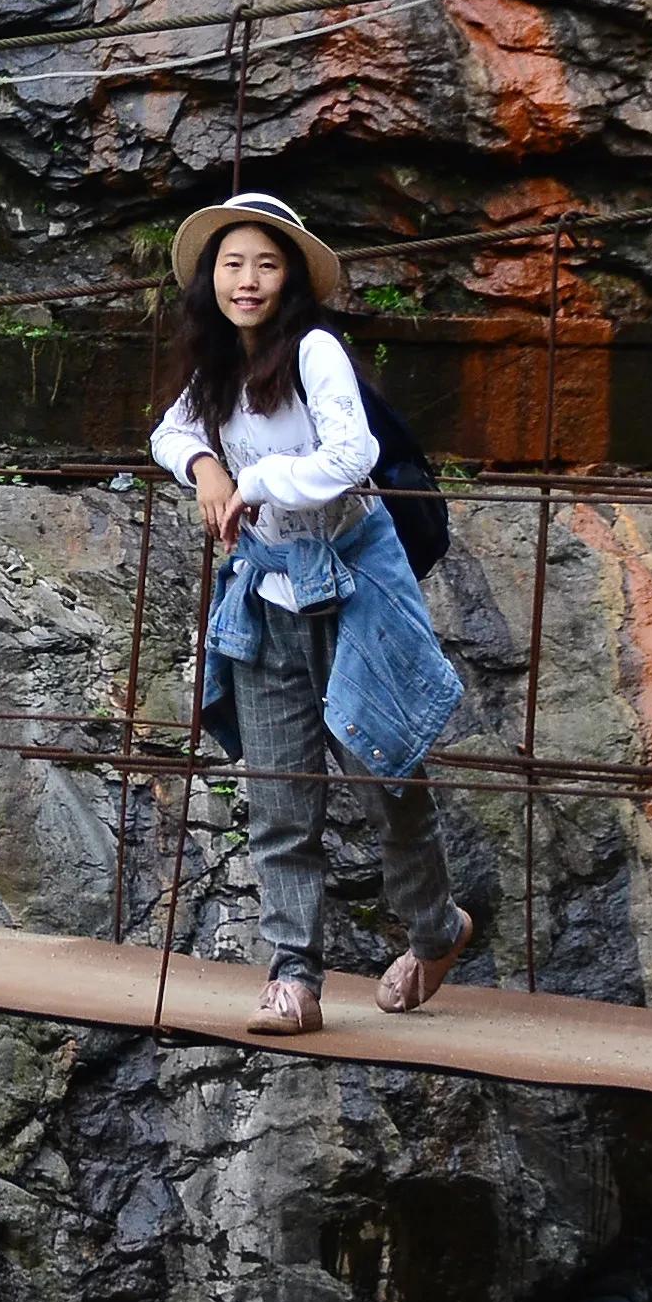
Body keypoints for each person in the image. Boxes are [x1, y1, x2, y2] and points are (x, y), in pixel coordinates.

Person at [148, 193, 473, 1030]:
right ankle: (293, 977)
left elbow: (351, 455)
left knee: (383, 774)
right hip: (266, 596)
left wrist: (253, 479)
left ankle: (436, 931)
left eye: (265, 264)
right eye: (232, 264)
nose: (247, 280)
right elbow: (167, 434)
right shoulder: (215, 363)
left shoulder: (315, 351)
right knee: (281, 795)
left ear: (290, 278)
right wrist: (204, 466)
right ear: (212, 279)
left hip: (351, 583)